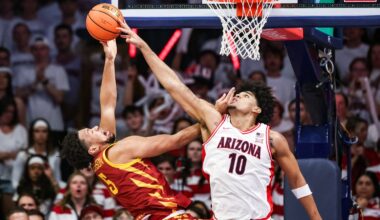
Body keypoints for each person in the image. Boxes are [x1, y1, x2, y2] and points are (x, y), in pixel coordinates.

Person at [118, 21, 322, 219]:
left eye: (247, 95)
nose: (239, 95)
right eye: (239, 93)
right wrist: (144, 46)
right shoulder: (215, 122)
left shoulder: (272, 139)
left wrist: (315, 216)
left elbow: (296, 179)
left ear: (256, 109)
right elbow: (176, 87)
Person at [60, 40, 198, 220]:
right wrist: (213, 118)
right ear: (93, 148)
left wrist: (109, 60)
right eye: (90, 131)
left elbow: (108, 105)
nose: (96, 127)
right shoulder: (120, 149)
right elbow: (177, 140)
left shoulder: (101, 164)